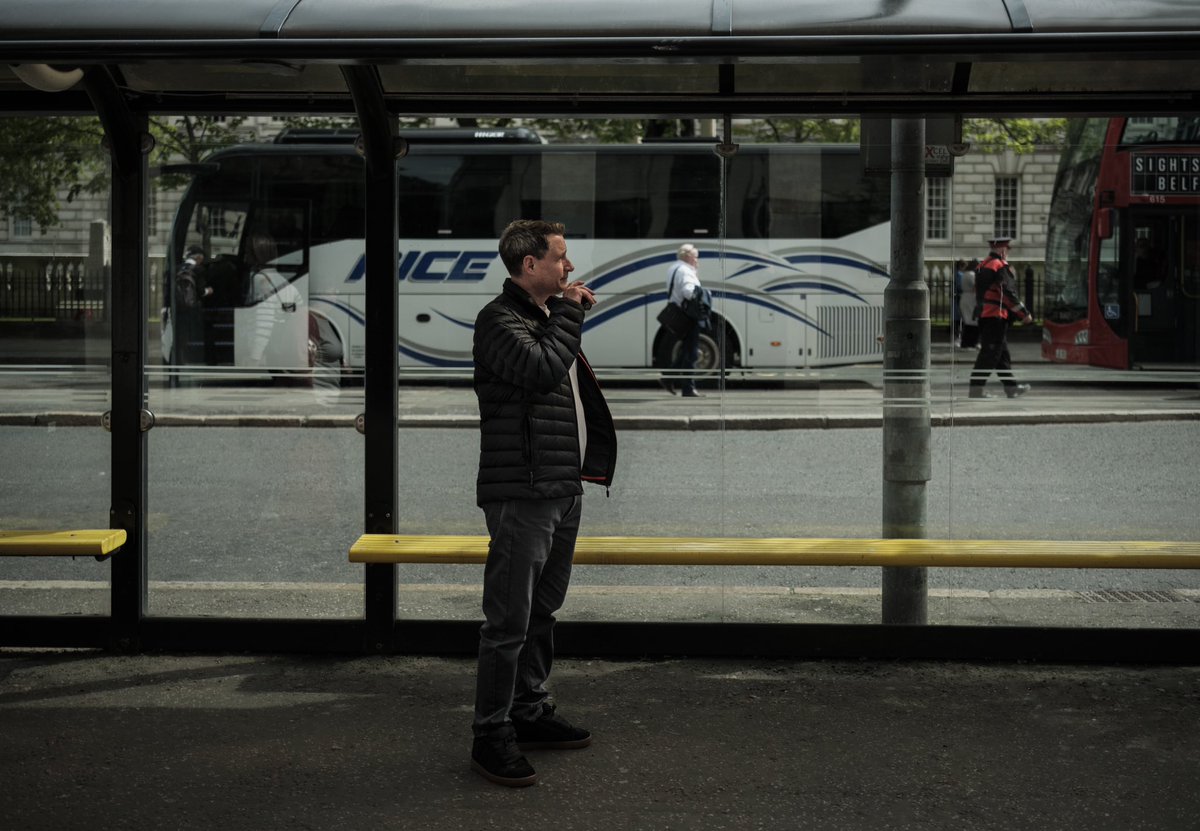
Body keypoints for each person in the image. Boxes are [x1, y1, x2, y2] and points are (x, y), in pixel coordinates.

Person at [469, 219, 618, 788]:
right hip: (522, 492)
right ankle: (490, 734)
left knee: (541, 614)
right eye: (560, 257)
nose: (569, 268)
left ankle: (527, 712)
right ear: (529, 265)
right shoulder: (499, 321)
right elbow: (540, 370)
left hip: (559, 488)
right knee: (507, 622)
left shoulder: (541, 319)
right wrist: (570, 314)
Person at [968, 237, 1033, 399]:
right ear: (1003, 251)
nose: (1007, 254)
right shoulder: (1000, 266)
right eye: (1008, 250)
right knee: (989, 354)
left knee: (1001, 355)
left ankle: (1011, 388)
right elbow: (1008, 293)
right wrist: (1024, 313)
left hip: (984, 314)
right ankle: (976, 391)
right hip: (995, 316)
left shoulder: (983, 265)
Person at [659, 243, 706, 397]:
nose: (697, 260)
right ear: (688, 257)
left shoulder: (674, 268)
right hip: (688, 316)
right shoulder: (686, 271)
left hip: (677, 313)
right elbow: (688, 292)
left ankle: (669, 379)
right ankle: (688, 388)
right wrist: (700, 294)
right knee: (691, 352)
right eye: (695, 257)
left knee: (686, 350)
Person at [172, 245, 213, 365]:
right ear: (199, 257)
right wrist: (208, 291)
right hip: (192, 308)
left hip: (178, 308)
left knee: (180, 335)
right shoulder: (198, 269)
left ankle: (178, 359)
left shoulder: (178, 268)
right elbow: (200, 291)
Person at [958, 259, 980, 349]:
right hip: (971, 298)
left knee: (968, 321)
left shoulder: (965, 274)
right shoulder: (971, 275)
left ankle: (968, 342)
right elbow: (976, 285)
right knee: (973, 321)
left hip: (965, 297)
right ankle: (970, 342)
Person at [951, 259, 965, 346]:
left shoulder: (955, 274)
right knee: (960, 319)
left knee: (957, 319)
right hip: (959, 298)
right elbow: (961, 286)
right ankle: (958, 337)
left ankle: (957, 337)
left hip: (956, 298)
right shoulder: (960, 275)